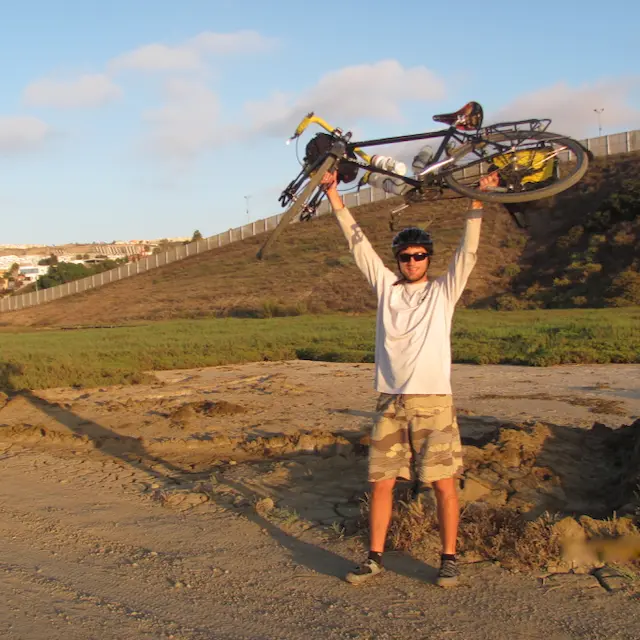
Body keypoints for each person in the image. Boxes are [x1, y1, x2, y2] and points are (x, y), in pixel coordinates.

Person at [321, 169, 497, 588]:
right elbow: (357, 244)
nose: (413, 261)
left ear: (428, 259)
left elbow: (467, 253)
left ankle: (449, 559)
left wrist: (477, 200)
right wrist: (334, 197)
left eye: (420, 256)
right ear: (398, 259)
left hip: (434, 402)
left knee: (442, 485)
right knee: (381, 483)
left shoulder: (443, 292)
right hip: (391, 401)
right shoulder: (387, 288)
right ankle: (374, 557)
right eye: (406, 256)